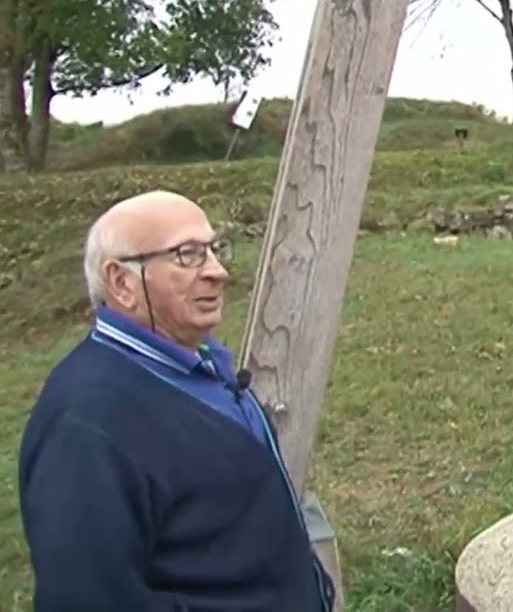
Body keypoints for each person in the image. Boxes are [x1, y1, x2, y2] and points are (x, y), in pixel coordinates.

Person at [18, 190, 335, 611]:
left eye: (214, 249)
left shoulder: (199, 361)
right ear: (121, 282)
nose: (218, 272)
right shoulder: (85, 425)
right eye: (188, 255)